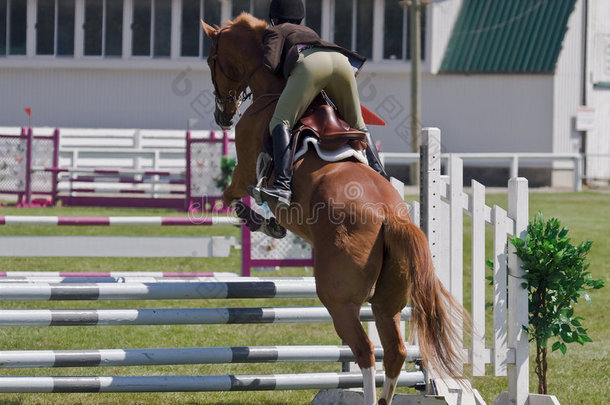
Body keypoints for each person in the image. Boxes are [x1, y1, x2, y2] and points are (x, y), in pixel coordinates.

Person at [247, 0, 388, 209]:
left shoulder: (276, 30)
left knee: (280, 121)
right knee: (358, 124)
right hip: (341, 62)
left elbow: (270, 65)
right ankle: (381, 177)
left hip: (311, 67)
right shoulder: (308, 31)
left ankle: (283, 186)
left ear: (274, 17)